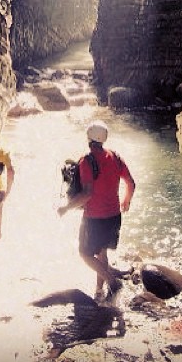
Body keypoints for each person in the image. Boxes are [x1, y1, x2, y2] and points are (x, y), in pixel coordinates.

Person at [57, 120, 135, 300]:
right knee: (102, 253)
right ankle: (99, 291)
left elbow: (86, 194)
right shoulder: (115, 157)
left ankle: (112, 281)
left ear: (89, 139)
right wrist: (126, 201)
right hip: (114, 216)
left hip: (94, 218)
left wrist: (66, 208)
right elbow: (131, 182)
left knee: (84, 254)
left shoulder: (87, 161)